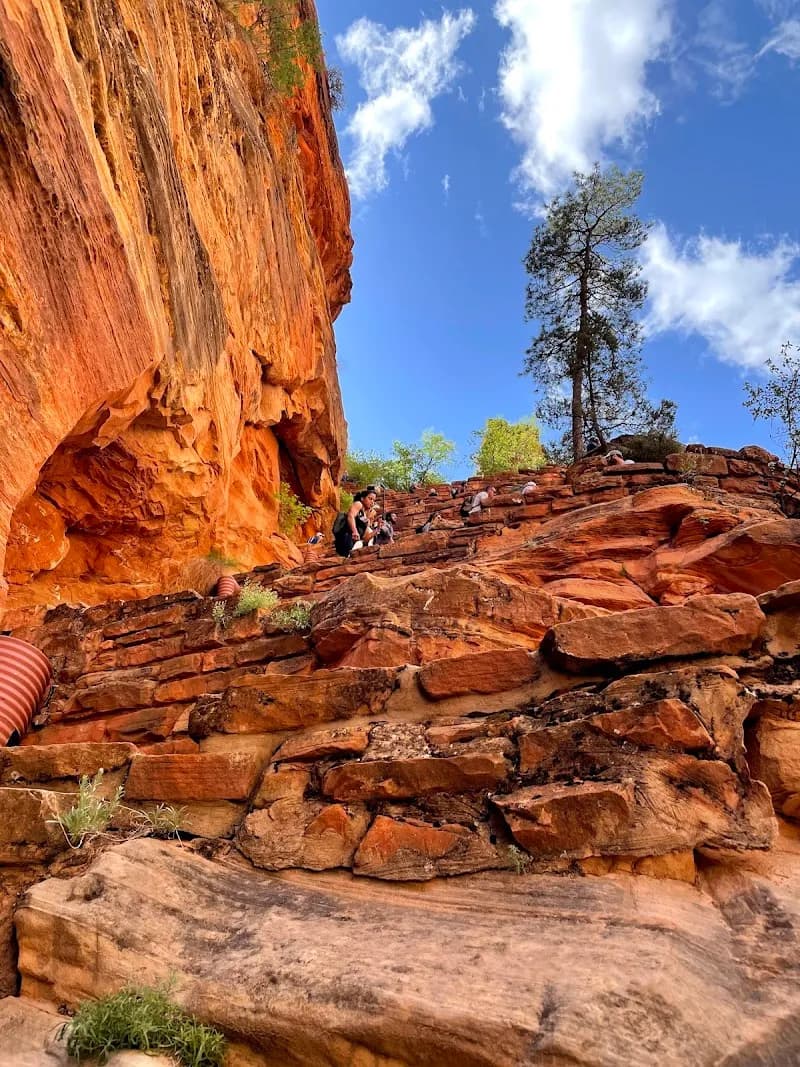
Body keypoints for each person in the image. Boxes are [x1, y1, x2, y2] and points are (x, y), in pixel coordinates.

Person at [333, 487, 377, 557]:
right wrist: (355, 531)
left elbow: (365, 538)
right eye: (370, 498)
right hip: (346, 536)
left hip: (354, 542)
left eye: (374, 500)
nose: (372, 502)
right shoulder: (358, 504)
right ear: (362, 498)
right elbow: (351, 516)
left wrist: (377, 529)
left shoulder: (366, 515)